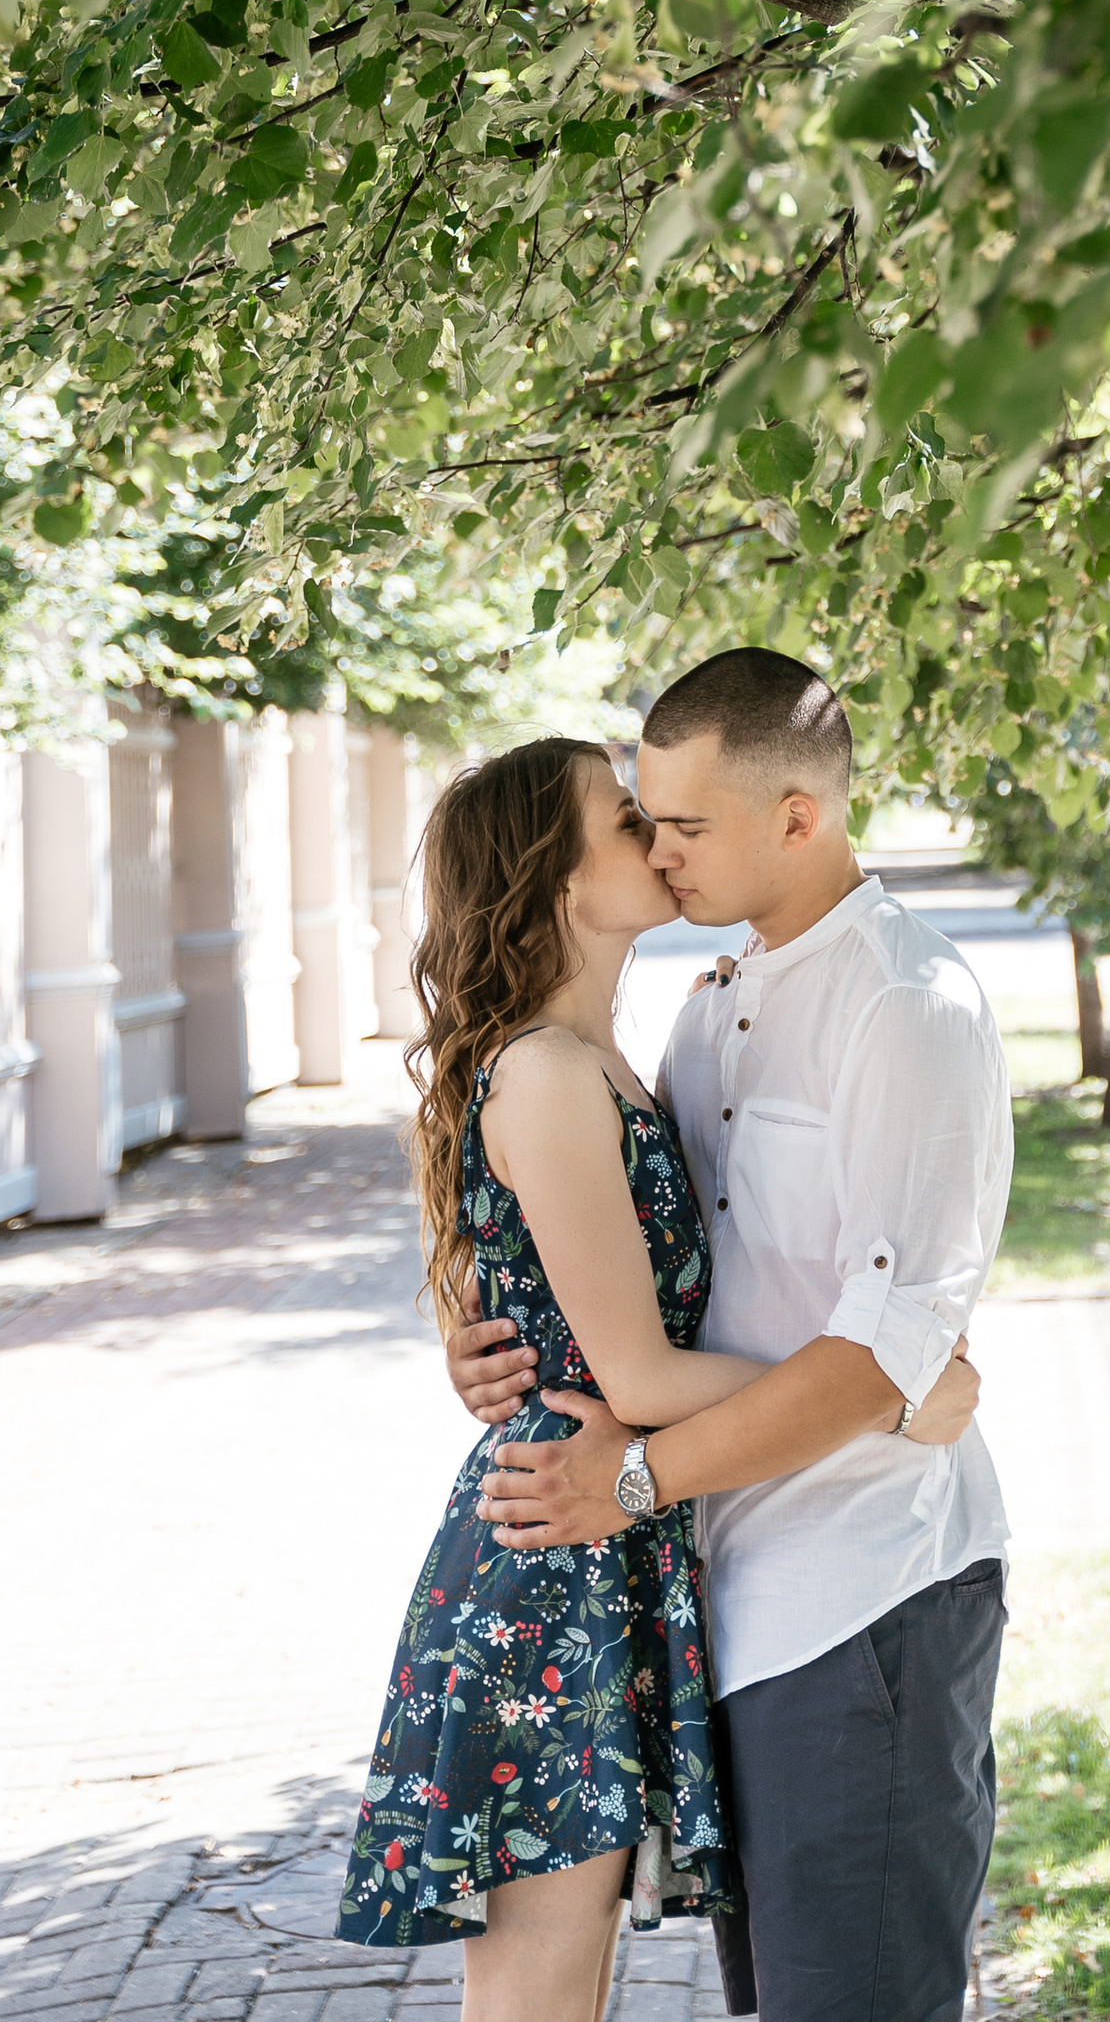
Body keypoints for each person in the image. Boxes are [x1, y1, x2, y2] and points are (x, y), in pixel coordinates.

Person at [337, 730, 981, 2018]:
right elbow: (630, 1369)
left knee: (572, 1976)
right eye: (627, 819)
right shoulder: (550, 1072)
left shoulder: (622, 1056)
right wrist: (893, 1388)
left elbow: (573, 1318)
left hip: (613, 1525)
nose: (659, 836)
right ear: (562, 880)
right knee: (541, 1978)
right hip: (559, 1539)